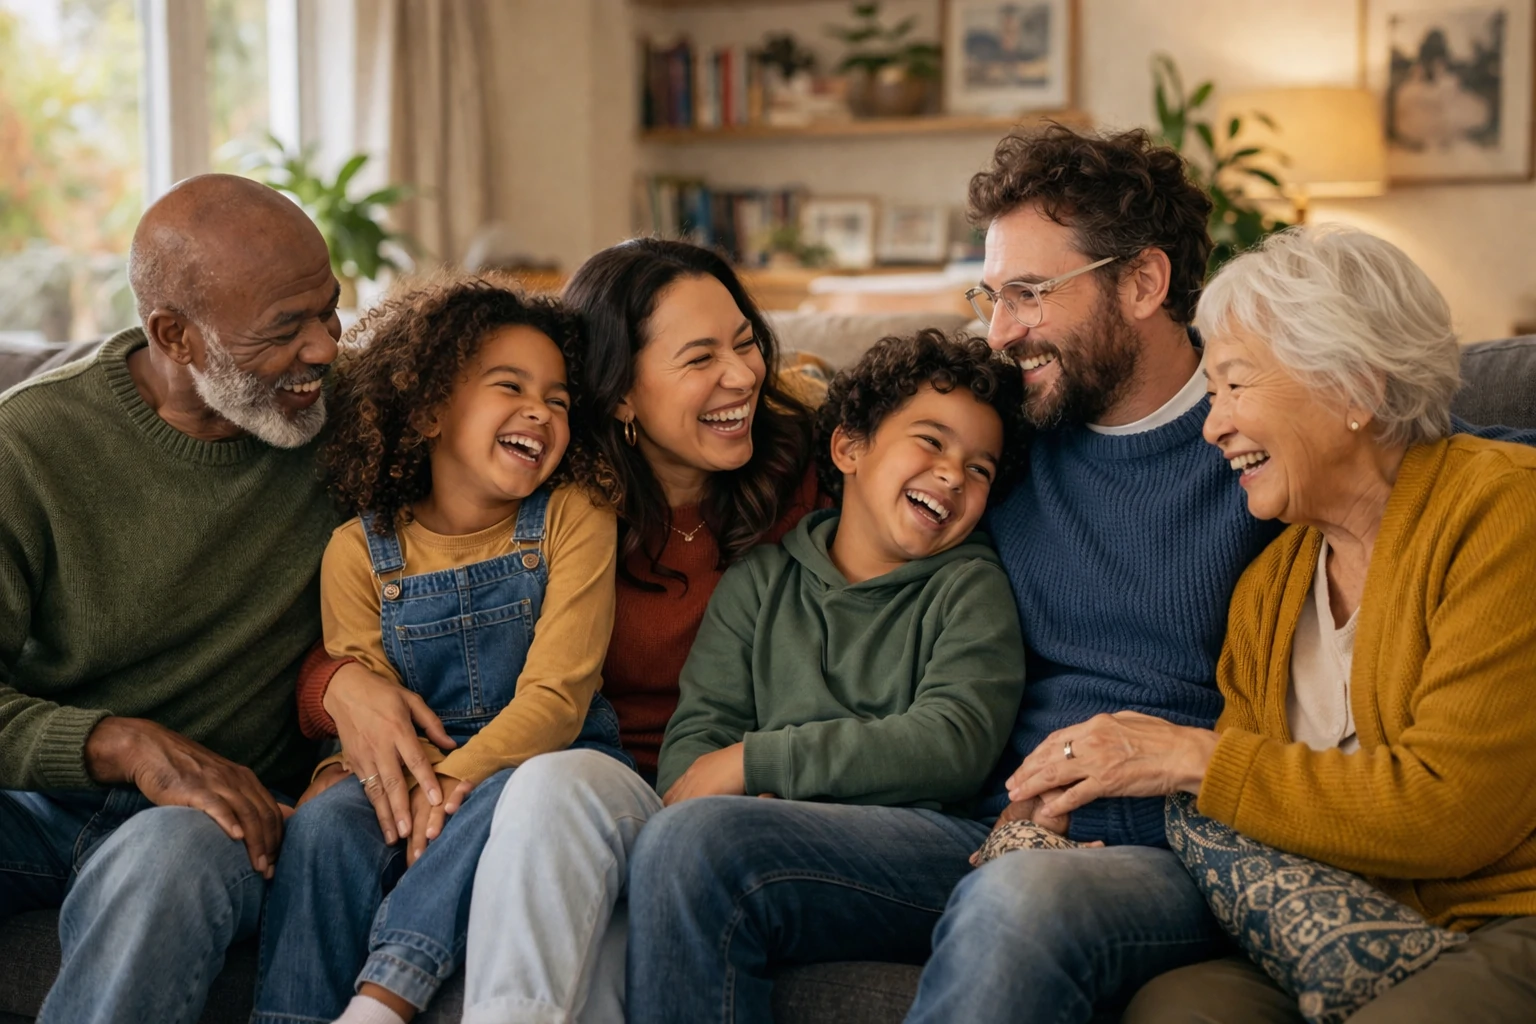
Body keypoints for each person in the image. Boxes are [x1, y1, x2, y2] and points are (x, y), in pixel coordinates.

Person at [904, 125, 1536, 1024]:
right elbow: (1241, 810)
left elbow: (1449, 813)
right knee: (1181, 1006)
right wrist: (1042, 816)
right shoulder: (1275, 581)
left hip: (1496, 912)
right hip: (1313, 910)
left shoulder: (1498, 511)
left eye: (1235, 386)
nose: (1212, 422)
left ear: (1355, 388)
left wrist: (1189, 755)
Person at [291, 239, 820, 1023]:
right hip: (564, 798)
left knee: (547, 782)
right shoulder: (549, 488)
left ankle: (386, 997)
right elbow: (374, 636)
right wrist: (336, 690)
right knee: (473, 806)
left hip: (685, 794)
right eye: (700, 356)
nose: (743, 375)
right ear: (623, 393)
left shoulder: (810, 472)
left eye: (746, 342)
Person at [0, 173, 341, 1023]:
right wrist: (120, 743)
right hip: (44, 808)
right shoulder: (29, 447)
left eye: (330, 309)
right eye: (284, 328)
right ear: (174, 335)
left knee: (172, 857)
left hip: (220, 823)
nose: (326, 348)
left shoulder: (353, 418)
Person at [251, 277, 628, 1024]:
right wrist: (341, 774)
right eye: (510, 386)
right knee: (326, 826)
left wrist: (449, 782)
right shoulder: (357, 552)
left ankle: (383, 999)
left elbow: (559, 698)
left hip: (539, 760)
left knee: (500, 798)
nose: (539, 411)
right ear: (426, 410)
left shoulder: (574, 516)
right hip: (416, 772)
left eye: (558, 399)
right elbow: (364, 705)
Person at [627, 330, 1032, 1021]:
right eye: (930, 441)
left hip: (928, 850)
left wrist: (760, 764)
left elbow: (952, 744)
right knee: (685, 838)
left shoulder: (971, 587)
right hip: (769, 839)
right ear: (848, 449)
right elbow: (697, 746)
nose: (952, 474)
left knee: (702, 841)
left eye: (980, 469)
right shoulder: (760, 581)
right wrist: (734, 799)